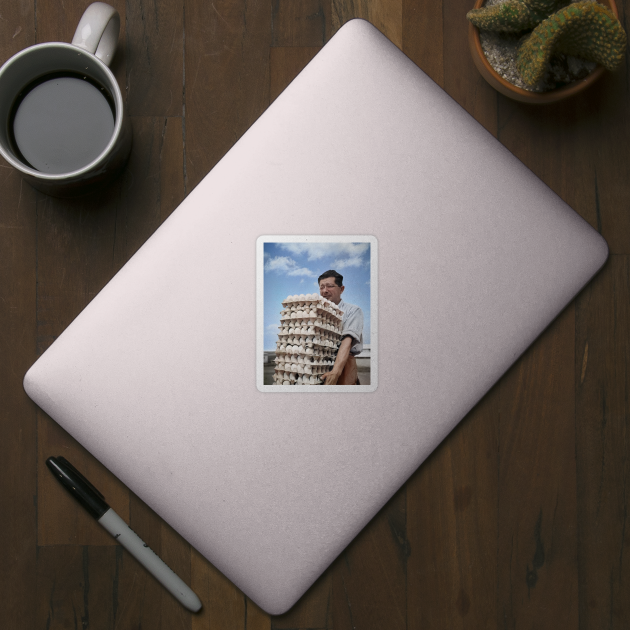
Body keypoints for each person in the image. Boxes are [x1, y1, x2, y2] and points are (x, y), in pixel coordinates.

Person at [318, 270, 363, 385]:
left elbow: (347, 341)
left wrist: (336, 372)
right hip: (319, 363)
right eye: (321, 287)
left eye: (329, 286)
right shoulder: (317, 312)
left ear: (341, 289)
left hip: (343, 364)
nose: (325, 290)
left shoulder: (352, 311)